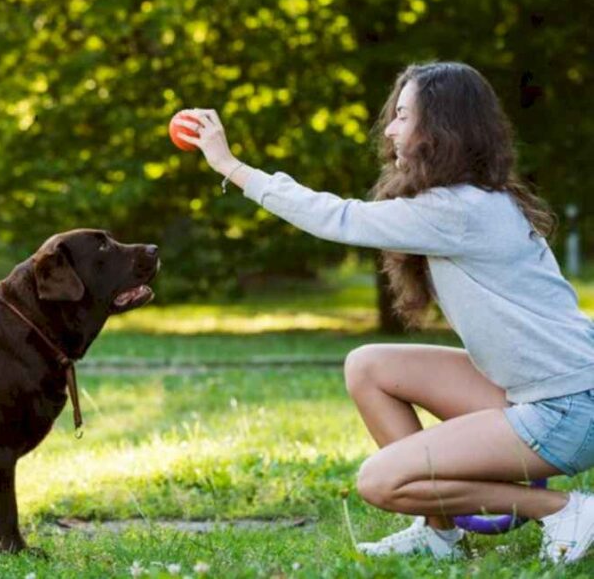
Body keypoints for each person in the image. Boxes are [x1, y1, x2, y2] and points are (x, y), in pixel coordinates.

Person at [176, 62, 594, 564]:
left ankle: (564, 509)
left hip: (566, 407)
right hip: (550, 391)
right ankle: (441, 536)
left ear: (440, 129)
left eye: (402, 115)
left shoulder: (459, 209)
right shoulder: (470, 200)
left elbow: (337, 217)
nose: (391, 129)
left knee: (380, 480)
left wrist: (230, 166)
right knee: (369, 365)